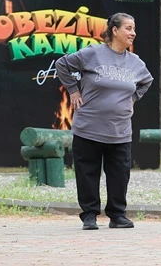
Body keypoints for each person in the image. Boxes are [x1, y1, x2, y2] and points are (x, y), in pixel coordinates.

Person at [55, 12, 153, 230]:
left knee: (119, 176)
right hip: (88, 128)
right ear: (114, 30)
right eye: (128, 28)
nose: (133, 33)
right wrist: (73, 90)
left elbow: (146, 81)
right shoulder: (92, 53)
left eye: (134, 29)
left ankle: (117, 215)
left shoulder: (135, 63)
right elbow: (62, 64)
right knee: (87, 173)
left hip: (120, 131)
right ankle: (89, 215)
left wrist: (133, 99)